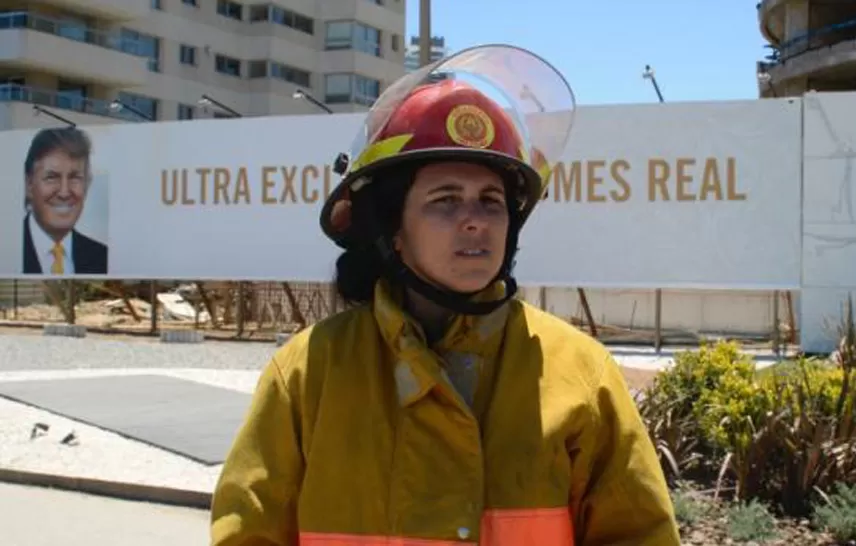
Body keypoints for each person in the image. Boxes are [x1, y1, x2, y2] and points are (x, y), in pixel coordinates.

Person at [210, 44, 679, 546]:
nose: (474, 219)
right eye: (445, 200)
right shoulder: (307, 375)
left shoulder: (582, 376)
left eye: (491, 201)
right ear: (392, 228)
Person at [22, 126, 108, 275]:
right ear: (29, 184)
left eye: (75, 178)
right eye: (52, 177)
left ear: (87, 184)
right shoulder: (7, 249)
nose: (64, 192)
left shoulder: (102, 258)